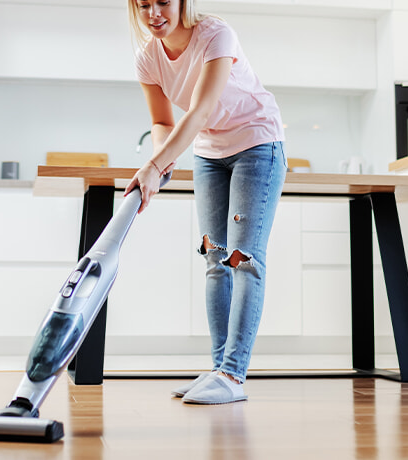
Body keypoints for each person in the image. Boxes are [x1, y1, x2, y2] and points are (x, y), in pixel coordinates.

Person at [126, 0, 288, 405]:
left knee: (242, 258)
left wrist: (153, 165)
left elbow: (199, 111)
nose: (154, 13)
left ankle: (233, 374)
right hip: (209, 155)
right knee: (215, 259)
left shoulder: (216, 35)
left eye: (162, 1)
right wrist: (162, 164)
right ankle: (218, 369)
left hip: (257, 143)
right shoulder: (148, 58)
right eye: (143, 4)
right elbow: (163, 123)